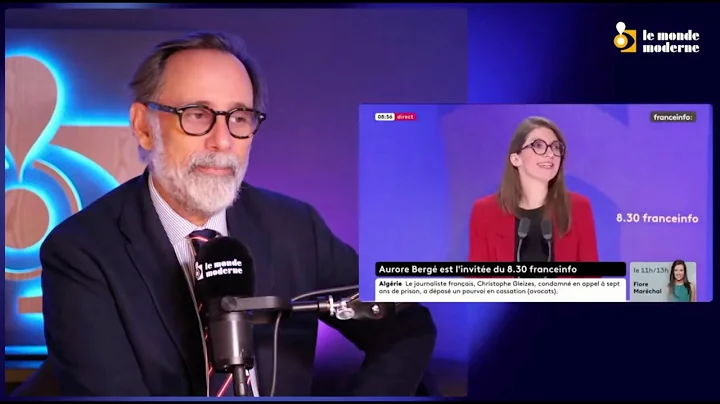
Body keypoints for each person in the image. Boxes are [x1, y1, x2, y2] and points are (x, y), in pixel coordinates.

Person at [39, 31, 436, 397]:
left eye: (239, 117)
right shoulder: (82, 252)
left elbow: (407, 326)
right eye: (197, 114)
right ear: (144, 126)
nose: (223, 140)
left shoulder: (296, 228)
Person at [468, 116, 598, 262]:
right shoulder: (485, 212)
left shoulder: (578, 208)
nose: (550, 154)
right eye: (538, 145)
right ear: (516, 159)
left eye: (556, 147)